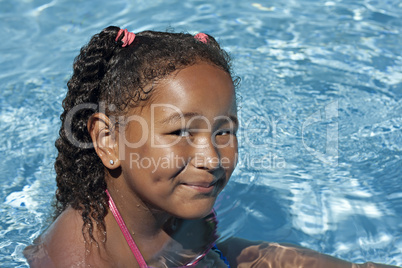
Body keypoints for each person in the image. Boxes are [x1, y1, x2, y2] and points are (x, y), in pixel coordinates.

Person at [23, 26, 399, 268]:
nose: (211, 158)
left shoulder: (171, 196)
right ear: (108, 140)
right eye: (180, 133)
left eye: (224, 131)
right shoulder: (79, 259)